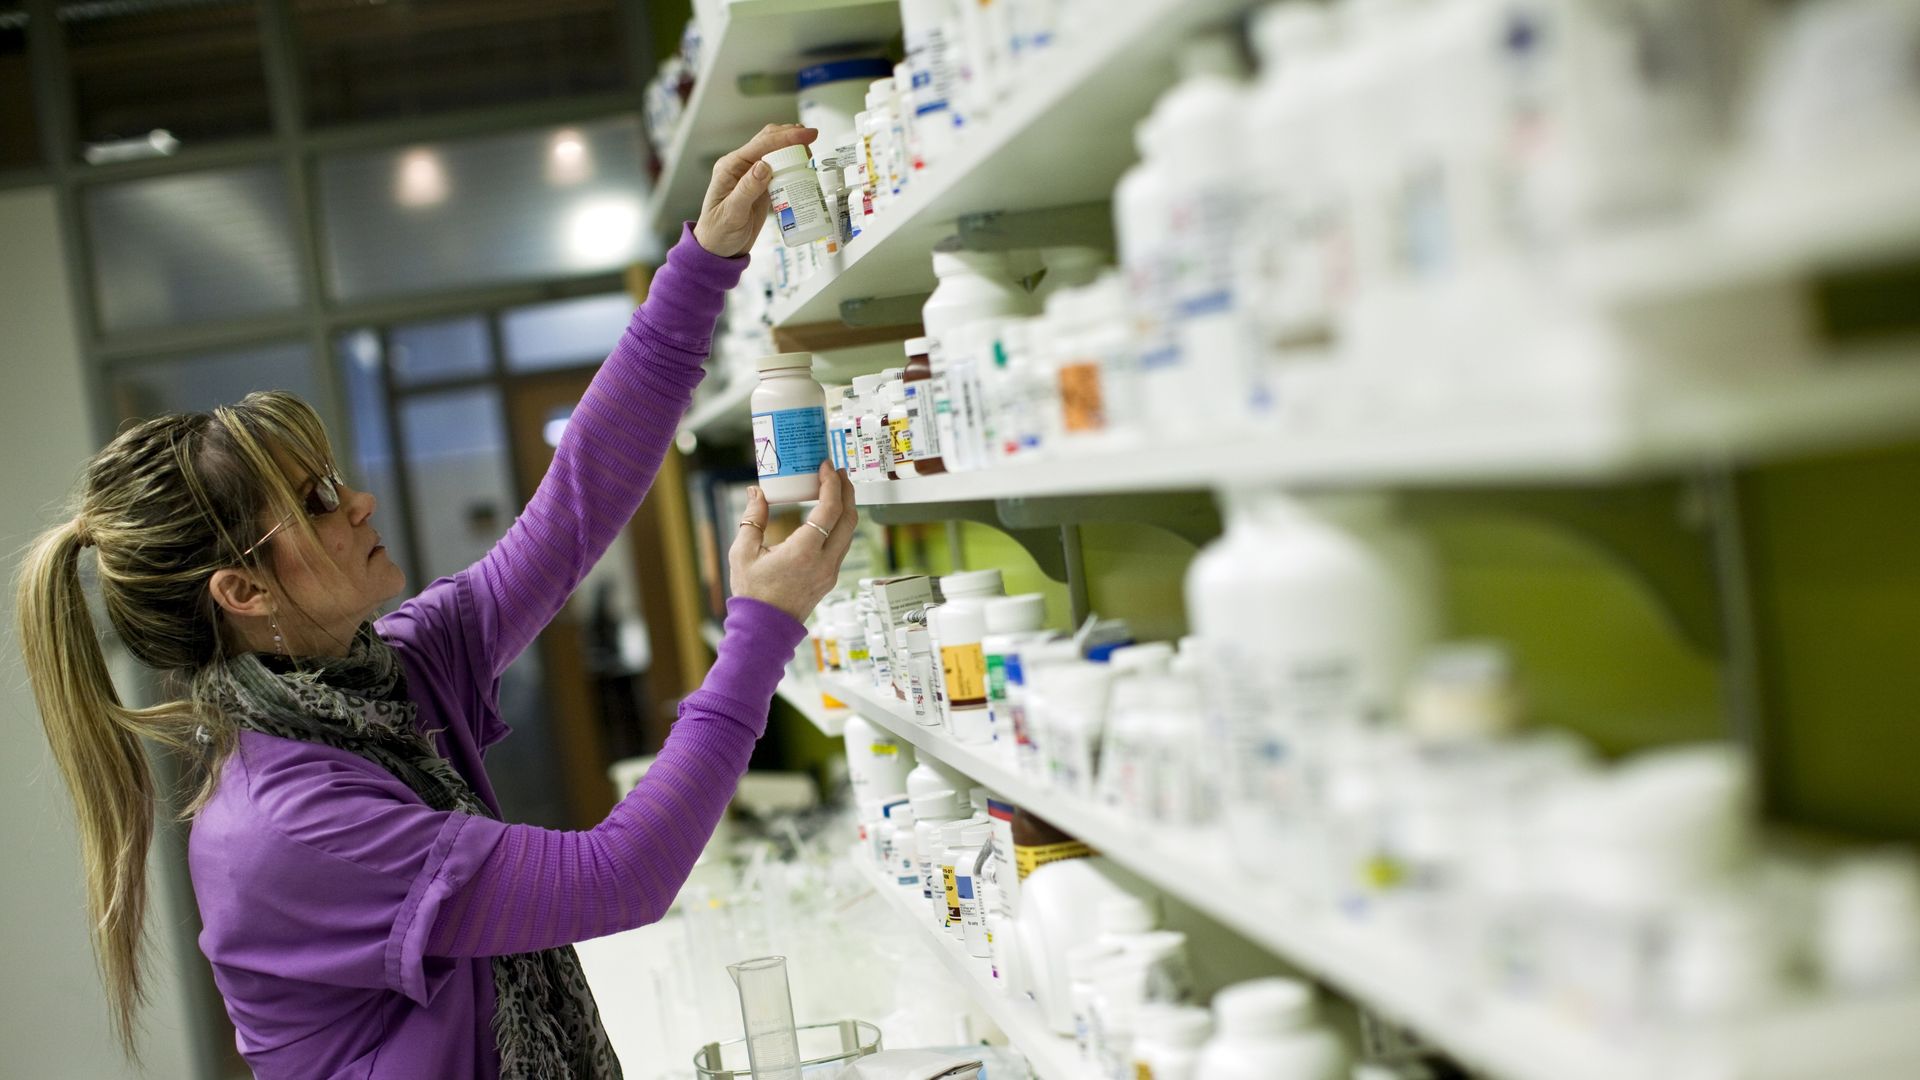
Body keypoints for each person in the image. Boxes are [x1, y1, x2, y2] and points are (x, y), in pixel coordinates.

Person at [13, 124, 845, 1079]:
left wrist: (702, 264)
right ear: (242, 591)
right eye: (316, 505)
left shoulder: (384, 678)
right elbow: (620, 878)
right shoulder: (287, 824)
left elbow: (570, 510)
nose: (357, 501)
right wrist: (761, 632)